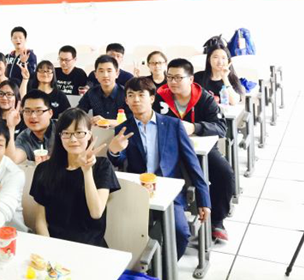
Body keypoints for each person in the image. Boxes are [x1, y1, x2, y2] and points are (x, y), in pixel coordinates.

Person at [108, 77, 211, 259]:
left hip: (169, 191)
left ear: (152, 98)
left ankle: (164, 268)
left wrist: (204, 200)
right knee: (123, 234)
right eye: (131, 95)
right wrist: (113, 151)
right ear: (126, 100)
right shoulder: (123, 128)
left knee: (181, 233)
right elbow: (119, 161)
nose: (136, 100)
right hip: (137, 190)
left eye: (141, 95)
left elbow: (193, 164)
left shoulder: (173, 125)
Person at [153, 58, 234, 244]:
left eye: (178, 77)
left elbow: (221, 127)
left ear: (190, 79)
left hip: (200, 150)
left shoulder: (204, 98)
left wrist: (195, 127)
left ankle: (217, 221)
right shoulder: (160, 97)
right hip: (169, 149)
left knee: (224, 173)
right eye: (169, 77)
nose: (172, 82)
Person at [30, 108, 119, 246]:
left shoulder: (102, 166)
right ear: (60, 136)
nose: (73, 139)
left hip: (90, 247)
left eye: (79, 133)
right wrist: (49, 247)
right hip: (55, 245)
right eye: (66, 133)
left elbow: (96, 212)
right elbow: (40, 220)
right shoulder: (44, 169)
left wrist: (87, 171)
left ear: (89, 135)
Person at [78, 55, 130, 126]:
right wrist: (89, 120)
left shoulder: (126, 94)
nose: (105, 75)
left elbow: (133, 121)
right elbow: (79, 112)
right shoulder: (92, 92)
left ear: (117, 73)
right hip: (98, 131)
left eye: (109, 71)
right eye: (101, 71)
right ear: (96, 75)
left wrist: (106, 122)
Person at [6, 90, 56, 164]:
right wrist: (10, 127)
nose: (33, 116)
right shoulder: (24, 137)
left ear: (50, 113)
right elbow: (13, 160)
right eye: (27, 111)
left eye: (38, 111)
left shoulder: (63, 130)